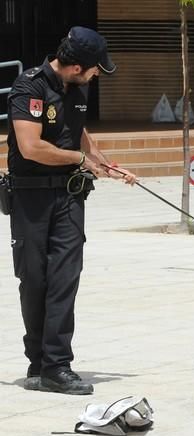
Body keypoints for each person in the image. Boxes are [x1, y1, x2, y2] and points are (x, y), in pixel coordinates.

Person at [5, 27, 137, 395]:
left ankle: (57, 365)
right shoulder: (28, 88)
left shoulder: (79, 87)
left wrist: (106, 165)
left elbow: (79, 133)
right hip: (31, 198)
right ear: (76, 65)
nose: (98, 74)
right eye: (95, 69)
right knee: (35, 281)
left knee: (64, 279)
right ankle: (38, 363)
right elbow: (31, 147)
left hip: (68, 198)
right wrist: (81, 159)